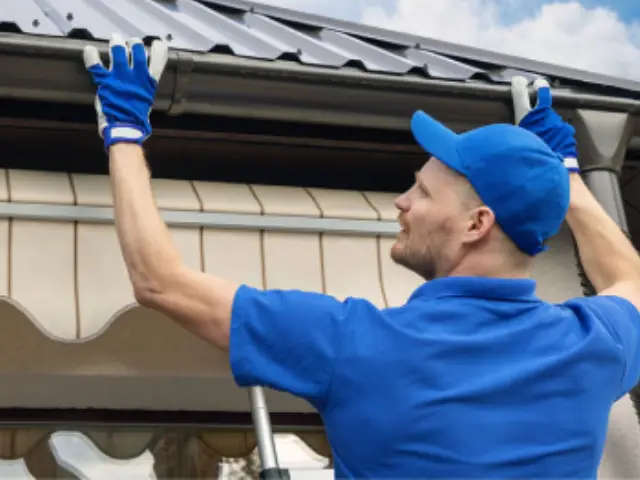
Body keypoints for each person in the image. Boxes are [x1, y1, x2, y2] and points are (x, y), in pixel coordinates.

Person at [83, 34, 640, 478]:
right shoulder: (593, 345)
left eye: (422, 191)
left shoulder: (355, 344)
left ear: (477, 224)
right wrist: (565, 177)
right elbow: (629, 277)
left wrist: (125, 133)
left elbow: (160, 281)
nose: (401, 201)